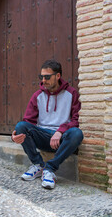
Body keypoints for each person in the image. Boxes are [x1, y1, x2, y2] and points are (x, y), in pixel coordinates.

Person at [11, 59, 83, 189]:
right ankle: (38, 166)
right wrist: (15, 136)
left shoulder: (71, 94)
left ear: (58, 76)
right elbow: (28, 121)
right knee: (21, 126)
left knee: (77, 133)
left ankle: (49, 169)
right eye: (41, 77)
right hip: (43, 136)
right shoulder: (38, 95)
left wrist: (60, 131)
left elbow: (76, 120)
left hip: (62, 139)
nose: (43, 80)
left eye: (47, 77)